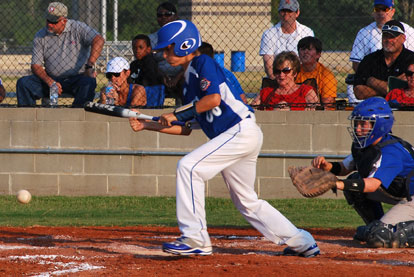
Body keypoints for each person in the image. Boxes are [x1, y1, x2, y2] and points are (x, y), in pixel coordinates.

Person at [129, 19, 320, 257]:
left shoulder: (202, 62)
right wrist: (148, 124)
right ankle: (303, 242)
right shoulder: (188, 84)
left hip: (239, 131)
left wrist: (176, 112)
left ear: (185, 45)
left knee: (188, 168)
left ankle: (195, 238)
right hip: (236, 137)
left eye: (169, 48)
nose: (165, 54)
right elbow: (187, 127)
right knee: (246, 202)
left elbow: (214, 100)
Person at [312, 97, 414, 248]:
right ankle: (377, 226)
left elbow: (372, 185)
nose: (358, 129)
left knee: (379, 237)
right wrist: (327, 167)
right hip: (403, 194)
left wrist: (336, 184)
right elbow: (345, 168)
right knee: (355, 182)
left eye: (363, 123)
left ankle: (382, 230)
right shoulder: (365, 146)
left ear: (379, 125)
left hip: (411, 198)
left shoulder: (391, 152)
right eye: (356, 123)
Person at [16, 2, 104, 107]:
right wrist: (50, 82)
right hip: (51, 79)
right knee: (23, 83)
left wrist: (89, 65)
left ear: (64, 21)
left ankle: (76, 117)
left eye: (53, 21)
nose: (49, 24)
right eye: (48, 20)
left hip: (77, 78)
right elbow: (36, 66)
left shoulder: (77, 28)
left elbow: (99, 39)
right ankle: (29, 119)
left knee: (89, 82)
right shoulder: (40, 35)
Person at [347, 0, 414, 104]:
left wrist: (372, 81)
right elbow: (359, 93)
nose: (388, 40)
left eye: (392, 37)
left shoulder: (410, 57)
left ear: (403, 38)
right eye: (385, 36)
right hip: (373, 105)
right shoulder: (370, 59)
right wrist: (394, 86)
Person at [259, 0, 314, 80]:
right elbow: (268, 64)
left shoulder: (307, 32)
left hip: (300, 79)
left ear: (297, 13)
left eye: (289, 11)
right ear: (279, 13)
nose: (286, 14)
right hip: (277, 79)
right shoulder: (269, 34)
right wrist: (279, 82)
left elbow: (309, 61)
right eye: (283, 10)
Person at [252, 51, 319, 110]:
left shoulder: (305, 91)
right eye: (277, 71)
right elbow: (251, 110)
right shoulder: (266, 92)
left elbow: (316, 109)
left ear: (295, 73)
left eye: (286, 71)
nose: (281, 75)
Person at [148, 2, 184, 105]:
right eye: (160, 15)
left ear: (176, 16)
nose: (163, 17)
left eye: (167, 14)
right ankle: (152, 108)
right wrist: (162, 75)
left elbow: (190, 58)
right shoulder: (152, 38)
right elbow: (149, 61)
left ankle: (184, 110)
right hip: (159, 75)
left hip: (181, 74)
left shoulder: (183, 35)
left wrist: (178, 76)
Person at [295, 36, 337, 110]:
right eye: (303, 49)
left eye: (309, 49)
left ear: (318, 54)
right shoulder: (293, 72)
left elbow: (328, 106)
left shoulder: (326, 75)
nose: (305, 52)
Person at [129, 34, 165, 107]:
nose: (137, 50)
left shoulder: (150, 62)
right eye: (134, 48)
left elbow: (146, 82)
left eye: (140, 47)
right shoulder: (134, 64)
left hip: (150, 96)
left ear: (148, 49)